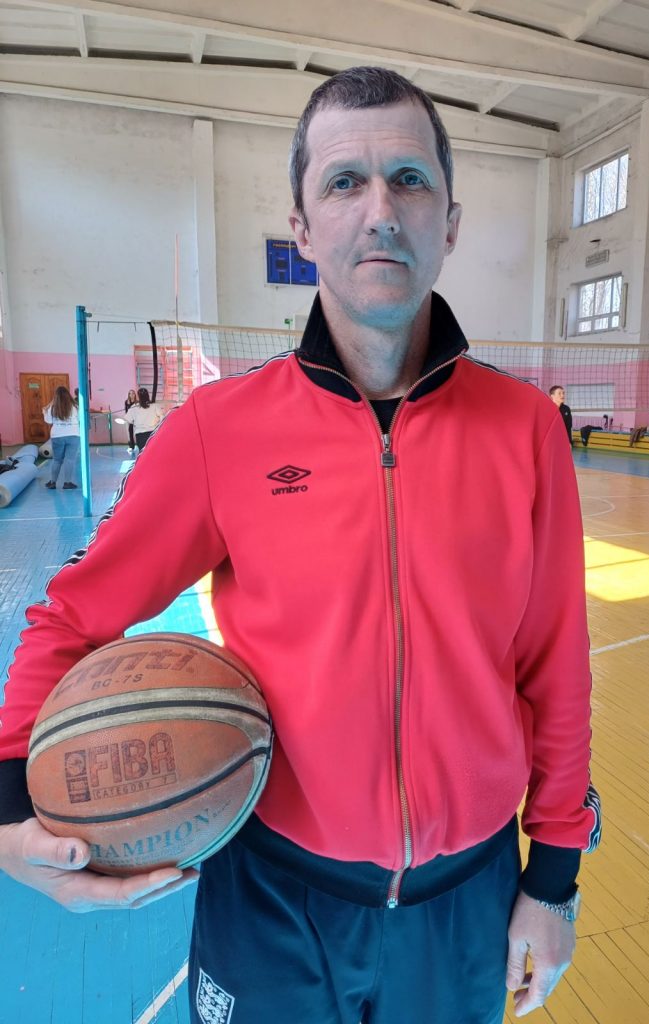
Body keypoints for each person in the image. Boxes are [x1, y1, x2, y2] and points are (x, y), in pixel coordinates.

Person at [0, 67, 600, 1024]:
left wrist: (555, 879)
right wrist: (8, 807)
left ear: (449, 222)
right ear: (303, 227)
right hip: (273, 901)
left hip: (469, 900)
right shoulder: (219, 431)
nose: (380, 211)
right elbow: (72, 613)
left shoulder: (525, 429)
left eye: (410, 180)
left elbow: (556, 665)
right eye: (344, 182)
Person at [42, 385, 80, 489]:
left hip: (57, 435)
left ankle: (52, 482)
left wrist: (44, 412)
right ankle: (67, 483)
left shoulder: (52, 407)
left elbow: (48, 421)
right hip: (73, 434)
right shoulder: (75, 406)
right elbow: (80, 419)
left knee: (57, 460)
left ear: (56, 396)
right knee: (70, 459)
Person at [124, 387, 162, 451]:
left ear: (138, 397)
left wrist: (135, 423)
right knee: (153, 452)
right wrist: (158, 424)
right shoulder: (154, 405)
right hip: (152, 434)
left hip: (140, 435)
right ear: (148, 395)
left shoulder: (134, 407)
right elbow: (162, 417)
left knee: (143, 453)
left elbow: (128, 420)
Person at [124, 388, 138, 452]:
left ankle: (139, 444)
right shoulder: (126, 402)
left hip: (136, 419)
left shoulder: (137, 402)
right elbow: (126, 411)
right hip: (130, 419)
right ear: (128, 395)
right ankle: (131, 446)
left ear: (135, 394)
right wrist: (127, 418)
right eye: (130, 394)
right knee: (130, 432)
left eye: (133, 393)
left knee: (137, 432)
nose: (131, 395)